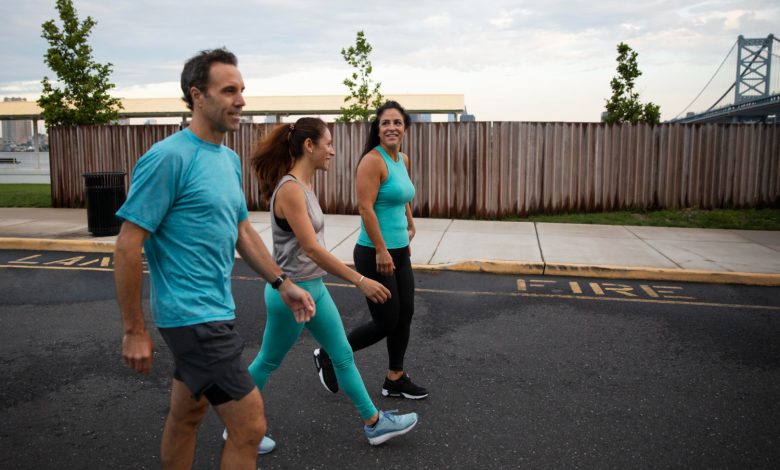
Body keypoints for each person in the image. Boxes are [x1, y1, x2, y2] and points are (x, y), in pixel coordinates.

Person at [113, 48, 315, 470]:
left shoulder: (227, 159)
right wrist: (134, 329)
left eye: (241, 90)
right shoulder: (168, 158)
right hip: (191, 318)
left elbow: (241, 231)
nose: (241, 100)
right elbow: (128, 244)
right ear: (197, 96)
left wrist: (283, 283)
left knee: (187, 414)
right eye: (228, 90)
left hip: (214, 310)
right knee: (250, 427)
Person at [247, 117, 419, 445]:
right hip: (292, 293)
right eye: (327, 143)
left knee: (341, 354)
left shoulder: (304, 186)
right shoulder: (291, 190)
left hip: (314, 289)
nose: (333, 151)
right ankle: (238, 422)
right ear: (309, 146)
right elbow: (311, 247)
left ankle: (374, 423)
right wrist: (359, 279)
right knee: (267, 361)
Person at [314, 101, 428, 400]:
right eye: (386, 123)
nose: (392, 127)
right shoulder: (371, 161)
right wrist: (381, 249)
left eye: (397, 122)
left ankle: (395, 378)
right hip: (375, 253)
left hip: (400, 251)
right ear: (378, 129)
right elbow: (365, 207)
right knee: (386, 321)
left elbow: (402, 194)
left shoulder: (401, 159)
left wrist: (410, 221)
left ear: (405, 127)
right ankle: (329, 355)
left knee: (405, 314)